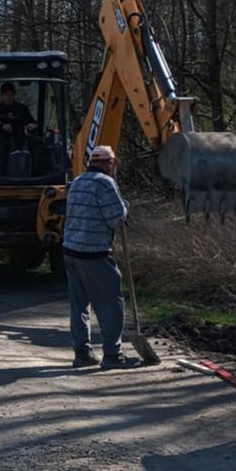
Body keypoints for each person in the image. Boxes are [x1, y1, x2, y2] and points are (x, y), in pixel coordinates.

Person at [62, 143, 139, 369]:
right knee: (112, 303)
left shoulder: (76, 182)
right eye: (112, 163)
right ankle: (113, 355)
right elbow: (116, 218)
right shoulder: (105, 183)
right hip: (93, 252)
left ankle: (82, 352)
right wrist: (124, 206)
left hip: (70, 251)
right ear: (109, 163)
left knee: (79, 305)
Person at [0, 82, 35, 149]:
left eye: (11, 94)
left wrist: (31, 126)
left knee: (35, 141)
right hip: (1, 138)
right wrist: (1, 127)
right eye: (6, 94)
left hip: (20, 136)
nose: (8, 97)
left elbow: (32, 122)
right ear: (2, 95)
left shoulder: (22, 109)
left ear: (14, 94)